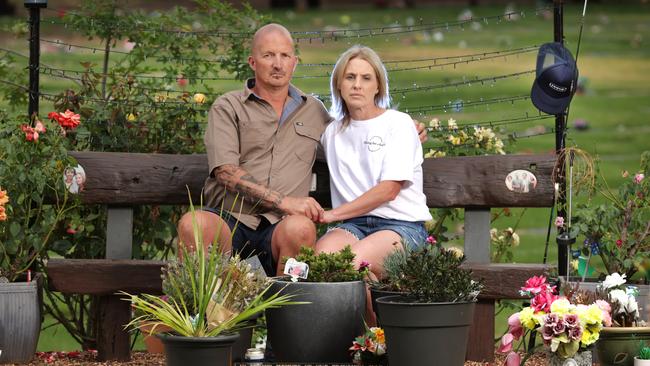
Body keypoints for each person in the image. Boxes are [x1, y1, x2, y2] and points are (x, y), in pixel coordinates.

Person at [177, 24, 427, 277]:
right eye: (268, 55)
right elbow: (225, 172)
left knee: (302, 230)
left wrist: (409, 131)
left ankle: (285, 315)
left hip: (282, 225)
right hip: (230, 217)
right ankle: (198, 312)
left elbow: (365, 129)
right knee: (194, 224)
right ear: (253, 61)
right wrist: (285, 202)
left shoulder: (314, 112)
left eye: (285, 56)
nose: (277, 64)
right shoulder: (228, 107)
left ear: (294, 63)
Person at [315, 45, 432, 284]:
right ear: (339, 83)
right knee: (324, 261)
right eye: (350, 77)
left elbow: (389, 189)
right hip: (352, 226)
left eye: (366, 78)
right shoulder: (331, 133)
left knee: (351, 262)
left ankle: (368, 321)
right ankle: (369, 317)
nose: (357, 84)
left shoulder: (398, 124)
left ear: (378, 86)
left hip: (401, 227)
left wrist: (332, 214)